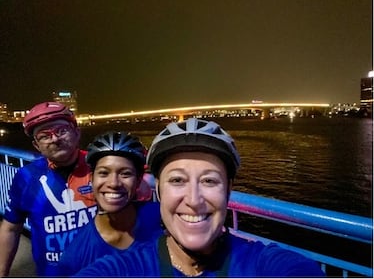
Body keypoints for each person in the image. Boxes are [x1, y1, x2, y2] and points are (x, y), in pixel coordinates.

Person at [74, 118, 325, 277]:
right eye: (177, 180)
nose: (194, 200)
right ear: (158, 190)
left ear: (228, 190)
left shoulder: (262, 264)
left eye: (209, 180)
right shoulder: (123, 269)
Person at [0, 101, 97, 277]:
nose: (55, 139)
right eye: (44, 136)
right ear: (36, 146)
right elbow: (10, 228)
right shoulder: (26, 177)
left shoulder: (100, 165)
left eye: (61, 130)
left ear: (77, 132)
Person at [57, 131, 163, 276]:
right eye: (103, 173)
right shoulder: (76, 256)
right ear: (91, 179)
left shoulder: (163, 218)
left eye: (125, 173)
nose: (114, 183)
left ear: (138, 181)